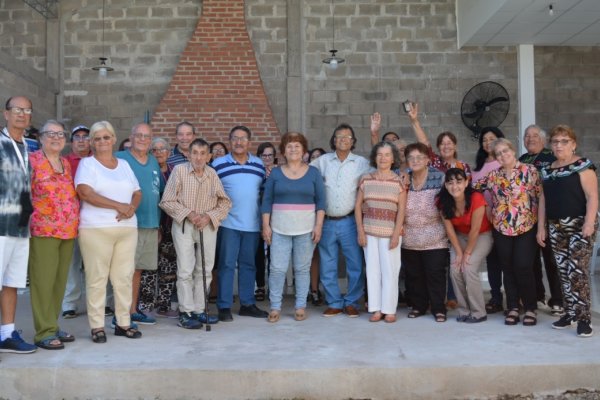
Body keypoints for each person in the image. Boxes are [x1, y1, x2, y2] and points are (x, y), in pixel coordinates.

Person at [75, 121, 142, 342]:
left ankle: (123, 323)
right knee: (97, 278)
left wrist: (130, 207)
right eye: (97, 138)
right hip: (96, 229)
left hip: (127, 229)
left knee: (123, 278)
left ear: (114, 139)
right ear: (92, 142)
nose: (102, 141)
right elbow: (85, 192)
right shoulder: (88, 164)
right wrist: (118, 205)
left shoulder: (123, 164)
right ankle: (97, 326)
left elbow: (137, 191)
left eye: (106, 137)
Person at [160, 138, 232, 329]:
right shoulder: (180, 171)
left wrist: (209, 216)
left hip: (207, 226)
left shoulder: (212, 174)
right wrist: (189, 214)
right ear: (188, 154)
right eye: (195, 153)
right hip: (184, 224)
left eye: (203, 153)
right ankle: (186, 311)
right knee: (185, 269)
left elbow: (225, 202)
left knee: (205, 268)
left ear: (208, 156)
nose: (199, 157)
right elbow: (167, 201)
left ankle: (200, 310)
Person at [537, 125, 598, 338]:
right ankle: (570, 313)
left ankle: (584, 319)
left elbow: (592, 196)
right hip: (555, 225)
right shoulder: (547, 169)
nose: (559, 145)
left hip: (580, 224)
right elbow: (543, 199)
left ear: (573, 144)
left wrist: (589, 223)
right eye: (555, 141)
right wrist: (541, 227)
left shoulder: (582, 166)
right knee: (562, 270)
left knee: (577, 271)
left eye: (564, 141)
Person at [474, 138, 541, 327]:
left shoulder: (530, 171)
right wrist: (486, 207)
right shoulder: (494, 175)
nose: (503, 155)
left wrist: (541, 226)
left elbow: (540, 197)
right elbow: (473, 189)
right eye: (499, 153)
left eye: (506, 151)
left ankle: (530, 307)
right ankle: (512, 307)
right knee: (508, 267)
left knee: (523, 266)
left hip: (526, 225)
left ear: (513, 150)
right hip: (501, 227)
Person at [261, 132, 325, 322]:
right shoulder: (276, 173)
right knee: (277, 269)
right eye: (289, 146)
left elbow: (321, 202)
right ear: (283, 151)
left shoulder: (313, 173)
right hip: (279, 228)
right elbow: (267, 201)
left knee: (302, 269)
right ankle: (275, 307)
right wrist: (266, 226)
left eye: (297, 146)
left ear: (304, 150)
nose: (293, 149)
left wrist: (318, 226)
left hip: (306, 228)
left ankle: (300, 306)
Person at [28, 120, 80, 350]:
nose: (56, 137)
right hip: (43, 229)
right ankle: (44, 332)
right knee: (43, 282)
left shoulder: (65, 164)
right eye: (51, 134)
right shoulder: (32, 161)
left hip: (68, 230)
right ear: (41, 137)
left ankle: (52, 323)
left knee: (59, 282)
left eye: (60, 134)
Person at [311, 123, 370, 318]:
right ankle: (334, 302)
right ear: (333, 140)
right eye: (339, 136)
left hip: (350, 221)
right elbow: (304, 173)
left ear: (353, 141)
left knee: (354, 263)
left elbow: (379, 171)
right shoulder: (323, 161)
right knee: (328, 263)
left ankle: (352, 302)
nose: (343, 139)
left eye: (347, 137)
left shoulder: (361, 163)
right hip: (326, 221)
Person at [211, 126, 269, 321]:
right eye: (235, 138)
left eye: (243, 139)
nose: (239, 142)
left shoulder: (258, 164)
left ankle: (247, 303)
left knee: (249, 265)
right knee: (226, 265)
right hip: (228, 224)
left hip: (252, 224)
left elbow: (262, 193)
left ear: (249, 142)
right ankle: (224, 306)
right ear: (230, 142)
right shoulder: (218, 164)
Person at [61, 125, 114, 319]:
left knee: (101, 263)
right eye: (77, 137)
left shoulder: (100, 161)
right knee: (72, 264)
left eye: (86, 137)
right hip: (70, 219)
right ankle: (70, 303)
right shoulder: (64, 162)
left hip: (96, 218)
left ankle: (106, 302)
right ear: (72, 142)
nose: (82, 140)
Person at [116, 123, 163, 326]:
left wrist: (158, 225)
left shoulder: (153, 161)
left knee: (137, 270)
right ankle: (120, 314)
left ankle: (132, 310)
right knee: (123, 270)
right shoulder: (120, 159)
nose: (143, 139)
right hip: (129, 223)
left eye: (147, 136)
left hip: (150, 224)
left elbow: (157, 193)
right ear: (131, 137)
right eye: (139, 135)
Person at [0, 96, 37, 354]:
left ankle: (7, 333)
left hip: (22, 227)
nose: (22, 114)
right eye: (17, 109)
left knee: (13, 282)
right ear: (6, 114)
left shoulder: (31, 147)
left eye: (27, 110)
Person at [355, 142, 406, 323]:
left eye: (387, 155)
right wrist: (360, 231)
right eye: (379, 154)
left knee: (390, 271)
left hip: (390, 233)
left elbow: (401, 210)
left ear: (393, 159)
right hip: (369, 233)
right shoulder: (365, 179)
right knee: (373, 271)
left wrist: (395, 234)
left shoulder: (398, 181)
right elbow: (358, 206)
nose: (383, 158)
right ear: (374, 157)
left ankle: (389, 309)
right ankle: (376, 308)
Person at [437, 168, 493, 323]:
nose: (455, 186)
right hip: (460, 236)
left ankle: (478, 312)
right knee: (455, 268)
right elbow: (450, 230)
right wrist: (458, 253)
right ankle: (464, 310)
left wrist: (466, 253)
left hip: (482, 235)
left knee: (468, 267)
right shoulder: (443, 201)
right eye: (450, 182)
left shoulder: (476, 197)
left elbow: (475, 229)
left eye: (459, 181)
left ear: (466, 182)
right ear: (446, 186)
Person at [519, 124, 563, 316]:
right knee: (531, 261)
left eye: (534, 135)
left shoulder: (552, 158)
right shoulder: (521, 160)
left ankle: (558, 300)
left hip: (549, 217)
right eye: (527, 136)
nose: (530, 139)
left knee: (551, 259)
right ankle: (537, 295)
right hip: (527, 218)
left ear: (543, 140)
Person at [401, 142, 448, 322]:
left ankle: (438, 308)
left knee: (435, 274)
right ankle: (418, 306)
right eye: (411, 158)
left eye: (419, 157)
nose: (415, 161)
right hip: (410, 239)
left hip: (435, 239)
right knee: (414, 275)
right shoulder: (403, 178)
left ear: (428, 160)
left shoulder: (439, 178)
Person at [471, 126, 505, 314]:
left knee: (506, 261)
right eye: (484, 140)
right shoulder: (478, 165)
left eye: (491, 139)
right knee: (492, 262)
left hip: (502, 220)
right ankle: (496, 297)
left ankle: (515, 299)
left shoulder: (503, 162)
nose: (487, 143)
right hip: (483, 221)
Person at [150, 138, 179, 318]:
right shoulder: (147, 171)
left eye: (162, 149)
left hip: (170, 224)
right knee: (148, 266)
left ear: (169, 153)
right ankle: (145, 304)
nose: (159, 152)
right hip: (151, 224)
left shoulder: (175, 172)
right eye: (155, 149)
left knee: (168, 267)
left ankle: (164, 305)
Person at [254, 142, 277, 302]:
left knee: (274, 254)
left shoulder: (279, 172)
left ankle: (273, 288)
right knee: (258, 254)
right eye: (264, 155)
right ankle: (260, 286)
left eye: (270, 155)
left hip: (276, 217)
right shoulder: (256, 172)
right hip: (257, 216)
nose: (267, 158)